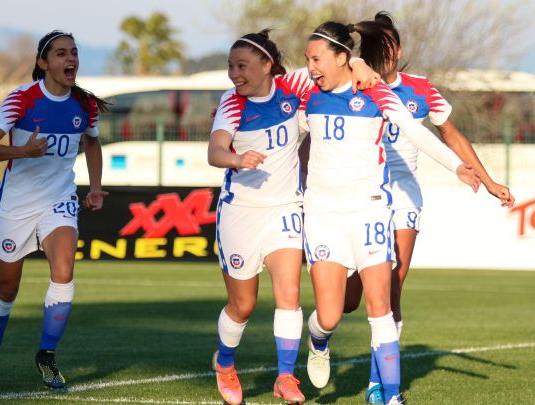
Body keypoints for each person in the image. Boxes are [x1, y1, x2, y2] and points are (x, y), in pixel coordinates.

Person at [332, 13, 516, 404]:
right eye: (377, 46)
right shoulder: (349, 86)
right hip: (357, 197)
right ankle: (326, 330)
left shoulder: (420, 90)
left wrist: (488, 180)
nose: (386, 52)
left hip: (402, 200)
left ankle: (379, 384)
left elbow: (452, 134)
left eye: (390, 44)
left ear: (397, 49)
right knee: (346, 302)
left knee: (391, 290)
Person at [300, 21, 480, 405]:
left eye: (317, 59)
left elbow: (417, 133)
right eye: (307, 60)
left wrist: (457, 167)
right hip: (324, 216)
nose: (311, 66)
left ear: (340, 58)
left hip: (370, 211)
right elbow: (266, 93)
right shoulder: (305, 92)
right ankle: (318, 340)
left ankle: (391, 396)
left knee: (381, 306)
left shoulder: (377, 93)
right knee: (330, 315)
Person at [207, 30, 379, 405]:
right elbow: (216, 151)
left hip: (286, 209)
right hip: (240, 214)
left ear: (267, 65)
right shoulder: (231, 104)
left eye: (242, 66)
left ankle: (285, 377)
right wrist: (236, 158)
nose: (235, 74)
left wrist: (361, 62)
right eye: (231, 67)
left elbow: (336, 63)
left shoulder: (293, 85)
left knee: (289, 296)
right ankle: (224, 363)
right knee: (244, 306)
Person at [0, 30, 109, 393]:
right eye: (61, 53)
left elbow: (93, 143)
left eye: (75, 53)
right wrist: (21, 151)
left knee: (64, 270)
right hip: (16, 206)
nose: (71, 59)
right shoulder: (21, 99)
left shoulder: (85, 104)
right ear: (43, 62)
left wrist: (94, 187)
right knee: (6, 288)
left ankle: (46, 355)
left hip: (59, 200)